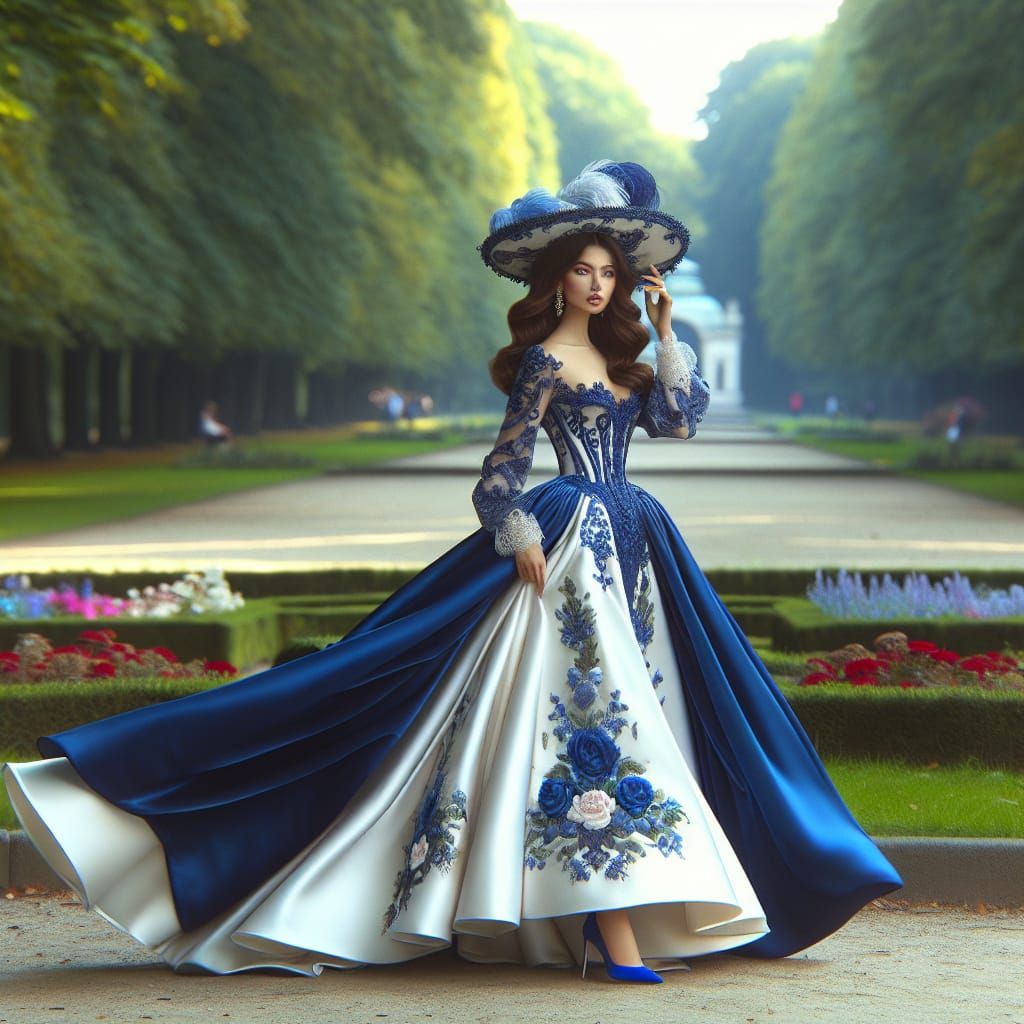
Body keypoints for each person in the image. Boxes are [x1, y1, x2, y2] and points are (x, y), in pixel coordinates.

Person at [3, 159, 901, 981]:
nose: (599, 282)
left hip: (640, 540)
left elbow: (678, 422)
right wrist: (520, 537)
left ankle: (619, 907)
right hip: (566, 547)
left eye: (609, 270)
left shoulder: (630, 363)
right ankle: (595, 918)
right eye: (584, 270)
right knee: (582, 717)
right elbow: (498, 479)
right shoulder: (546, 362)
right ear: (557, 281)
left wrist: (667, 330)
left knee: (665, 710)